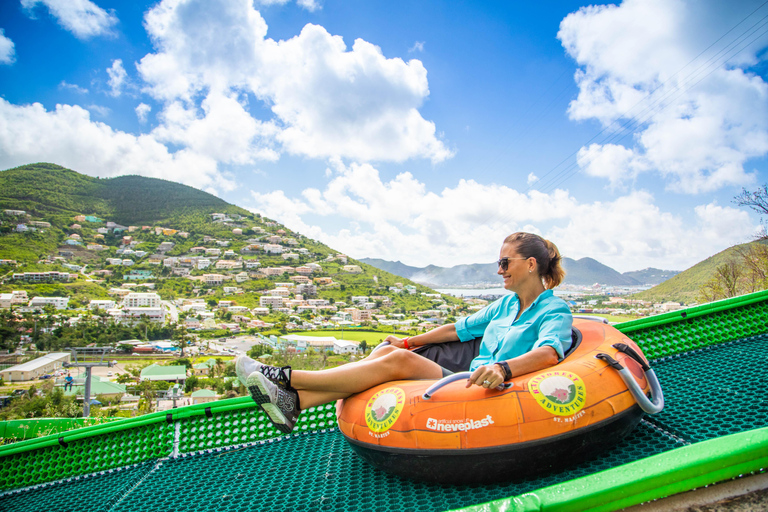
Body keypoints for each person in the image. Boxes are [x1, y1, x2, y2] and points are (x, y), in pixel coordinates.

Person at [236, 232, 573, 434]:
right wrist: (408, 341)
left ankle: (285, 378)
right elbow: (457, 330)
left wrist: (503, 368)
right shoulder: (504, 306)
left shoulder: (554, 311)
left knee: (396, 362)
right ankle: (296, 402)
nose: (499, 270)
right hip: (469, 379)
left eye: (504, 263)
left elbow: (549, 352)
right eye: (498, 263)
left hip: (493, 389)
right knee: (387, 351)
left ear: (530, 265)